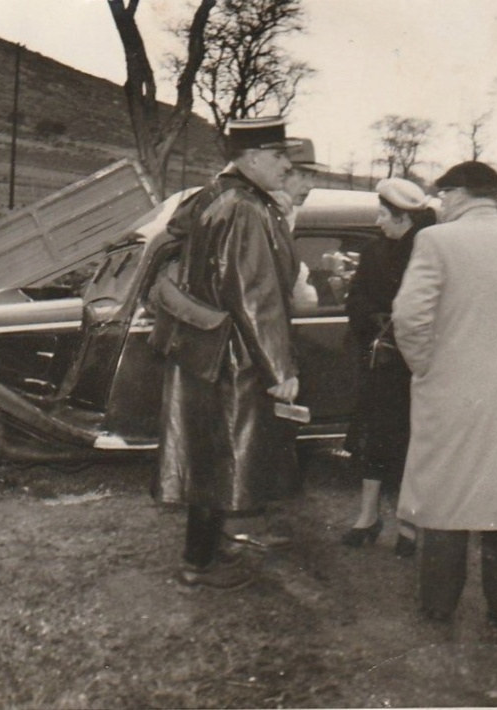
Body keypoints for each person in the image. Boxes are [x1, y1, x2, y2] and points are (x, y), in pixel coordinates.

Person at [392, 161, 497, 624]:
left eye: (444, 195)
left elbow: (410, 318)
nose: (442, 205)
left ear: (458, 194)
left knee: (446, 500)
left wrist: (428, 366)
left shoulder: (436, 240)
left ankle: (437, 606)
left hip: (453, 392)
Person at [153, 117, 301, 588]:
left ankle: (207, 551)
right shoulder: (244, 209)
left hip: (205, 346)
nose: (287, 164)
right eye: (279, 156)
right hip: (233, 355)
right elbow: (256, 296)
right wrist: (281, 369)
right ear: (253, 158)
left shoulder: (212, 195)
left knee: (206, 454)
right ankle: (199, 565)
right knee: (218, 457)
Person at [340, 178, 436, 558]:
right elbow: (356, 298)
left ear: (404, 218)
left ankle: (409, 526)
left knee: (415, 443)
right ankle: (367, 517)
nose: (378, 222)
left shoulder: (431, 250)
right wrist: (372, 318)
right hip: (381, 363)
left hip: (419, 364)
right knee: (374, 439)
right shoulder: (373, 251)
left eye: (384, 215)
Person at [273, 138, 326, 309]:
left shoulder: (287, 211)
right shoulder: (260, 212)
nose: (310, 185)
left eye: (312, 177)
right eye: (303, 175)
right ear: (281, 173)